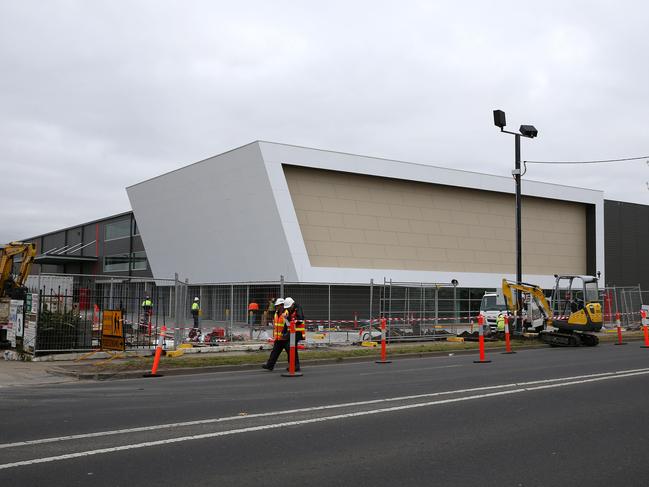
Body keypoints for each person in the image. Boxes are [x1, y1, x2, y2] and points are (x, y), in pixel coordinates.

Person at [262, 298, 290, 371]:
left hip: (285, 338)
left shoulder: (286, 313)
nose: (276, 307)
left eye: (278, 305)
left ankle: (294, 366)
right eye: (276, 306)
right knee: (274, 352)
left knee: (290, 353)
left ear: (282, 305)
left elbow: (288, 325)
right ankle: (270, 365)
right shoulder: (276, 313)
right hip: (278, 338)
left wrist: (286, 334)